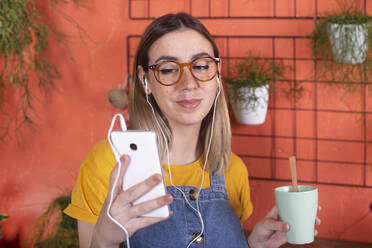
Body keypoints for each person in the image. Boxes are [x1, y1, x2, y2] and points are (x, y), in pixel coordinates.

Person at [64, 12, 306, 248]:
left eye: (201, 66)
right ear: (145, 80)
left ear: (217, 75)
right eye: (169, 69)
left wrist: (253, 245)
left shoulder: (232, 170)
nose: (189, 84)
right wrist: (103, 240)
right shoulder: (109, 165)